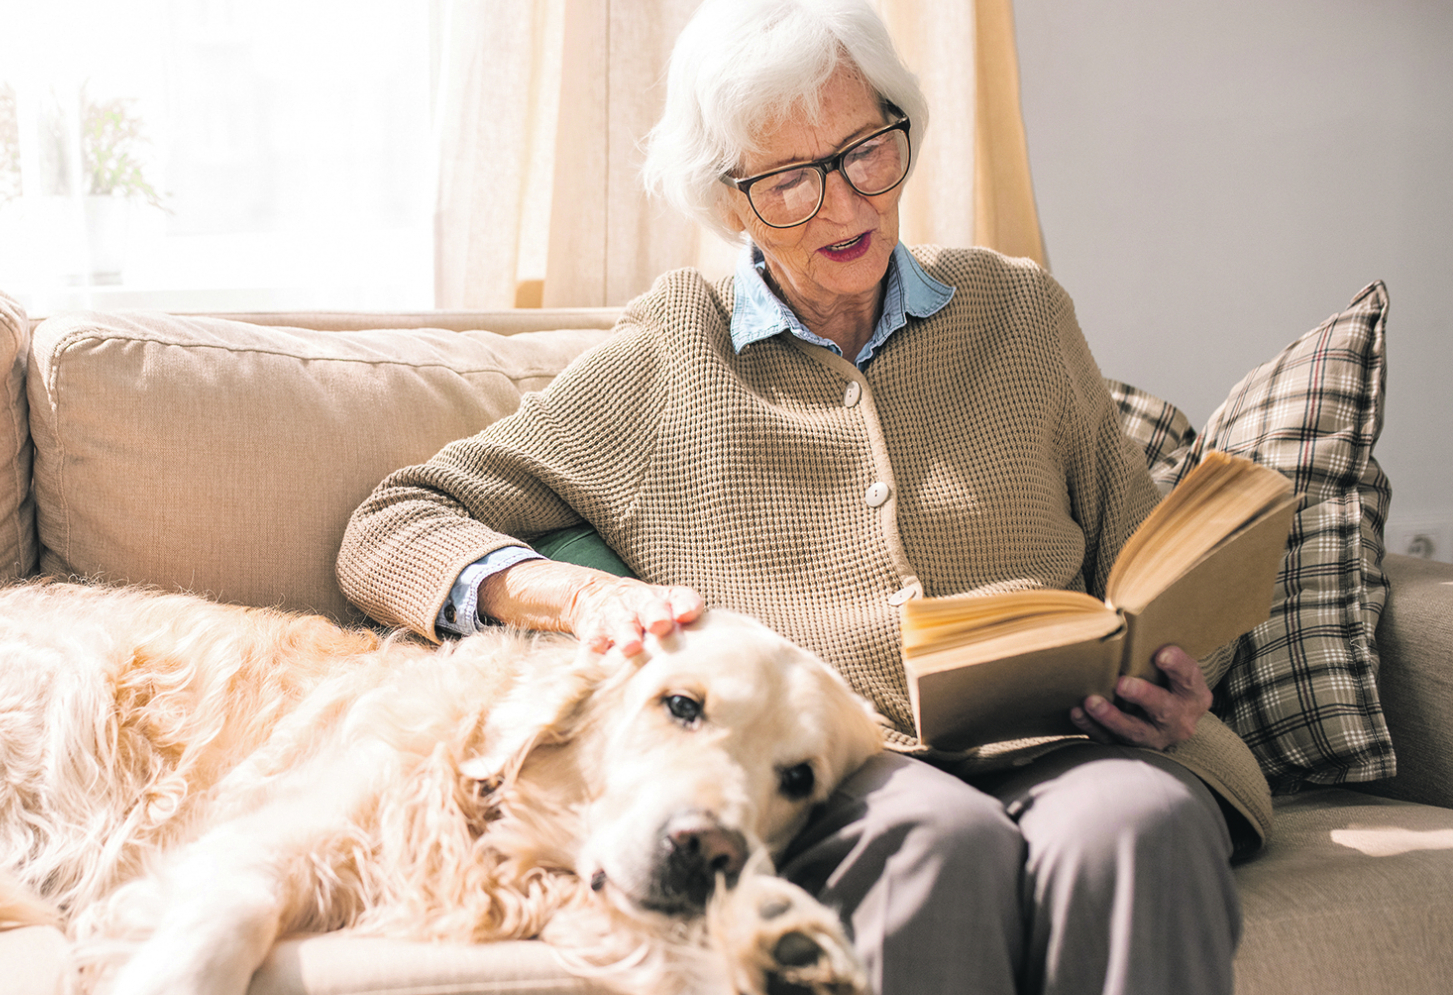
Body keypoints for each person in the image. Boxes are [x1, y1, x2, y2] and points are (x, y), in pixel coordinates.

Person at [336, 1, 1270, 992]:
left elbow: (1149, 568)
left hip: (1068, 739)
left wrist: (1172, 676)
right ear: (729, 202)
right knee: (940, 844)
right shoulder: (668, 356)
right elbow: (394, 523)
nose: (844, 206)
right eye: (788, 180)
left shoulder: (1020, 312)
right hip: (846, 773)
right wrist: (582, 597)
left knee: (1143, 821)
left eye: (866, 152)